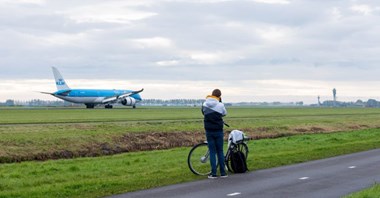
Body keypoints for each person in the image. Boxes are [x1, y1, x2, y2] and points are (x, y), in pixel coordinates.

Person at [201, 89, 228, 179]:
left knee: (212, 151)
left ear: (211, 95)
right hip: (218, 130)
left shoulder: (205, 104)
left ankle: (213, 173)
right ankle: (223, 172)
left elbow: (203, 113)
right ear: (219, 96)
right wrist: (220, 103)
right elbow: (224, 113)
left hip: (209, 130)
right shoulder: (220, 105)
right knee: (220, 151)